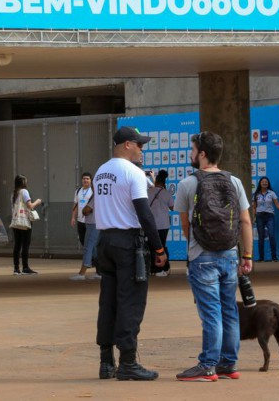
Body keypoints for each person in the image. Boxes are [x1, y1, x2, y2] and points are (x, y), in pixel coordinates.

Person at [174, 131, 253, 382]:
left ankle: (208, 365)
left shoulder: (188, 183)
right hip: (230, 255)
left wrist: (196, 246)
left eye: (193, 149)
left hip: (202, 256)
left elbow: (185, 225)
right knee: (229, 310)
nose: (191, 153)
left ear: (202, 154)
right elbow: (245, 221)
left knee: (211, 313)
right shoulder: (235, 182)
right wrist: (247, 255)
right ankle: (228, 364)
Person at [93, 126, 166, 382]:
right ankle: (127, 362)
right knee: (130, 302)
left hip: (105, 241)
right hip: (128, 243)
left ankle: (105, 362)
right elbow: (144, 214)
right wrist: (159, 248)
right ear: (127, 144)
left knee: (108, 301)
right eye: (139, 145)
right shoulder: (133, 173)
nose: (141, 150)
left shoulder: (101, 171)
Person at [252, 177, 279, 262]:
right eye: (263, 182)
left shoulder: (272, 193)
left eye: (266, 182)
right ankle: (261, 258)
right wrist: (254, 217)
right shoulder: (256, 194)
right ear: (260, 183)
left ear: (268, 184)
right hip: (259, 217)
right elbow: (254, 207)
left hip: (270, 216)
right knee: (261, 237)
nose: (264, 183)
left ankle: (274, 257)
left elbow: (278, 205)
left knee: (271, 235)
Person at [70, 172, 101, 281]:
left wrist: (84, 211)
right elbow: (76, 205)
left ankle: (82, 273)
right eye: (84, 179)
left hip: (92, 223)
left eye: (88, 179)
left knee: (88, 246)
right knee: (93, 247)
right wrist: (74, 217)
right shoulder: (79, 191)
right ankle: (99, 271)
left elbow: (87, 209)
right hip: (88, 222)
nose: (86, 181)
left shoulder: (95, 194)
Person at [10, 174, 42, 275]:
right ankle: (25, 267)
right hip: (24, 222)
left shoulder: (13, 193)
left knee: (17, 245)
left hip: (16, 221)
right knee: (25, 245)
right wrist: (38, 201)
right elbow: (30, 205)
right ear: (23, 182)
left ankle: (16, 268)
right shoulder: (24, 192)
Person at [147, 170, 174, 276]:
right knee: (161, 246)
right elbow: (172, 207)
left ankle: (152, 269)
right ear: (164, 182)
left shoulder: (148, 192)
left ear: (156, 181)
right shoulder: (166, 193)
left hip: (151, 224)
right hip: (163, 224)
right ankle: (163, 268)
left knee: (151, 246)